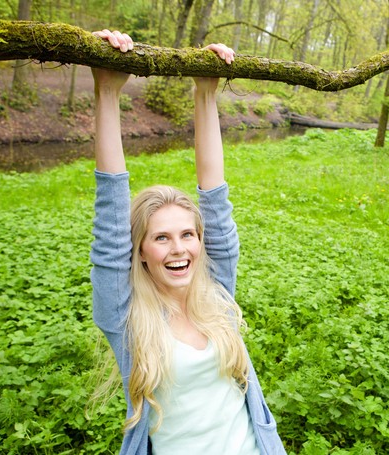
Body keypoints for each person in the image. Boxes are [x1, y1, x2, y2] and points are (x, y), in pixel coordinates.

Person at [90, 30, 286, 455]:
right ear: (138, 251)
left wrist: (206, 92)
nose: (179, 248)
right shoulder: (125, 318)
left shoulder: (215, 292)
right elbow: (109, 224)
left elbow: (215, 200)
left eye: (187, 235)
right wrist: (107, 91)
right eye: (160, 237)